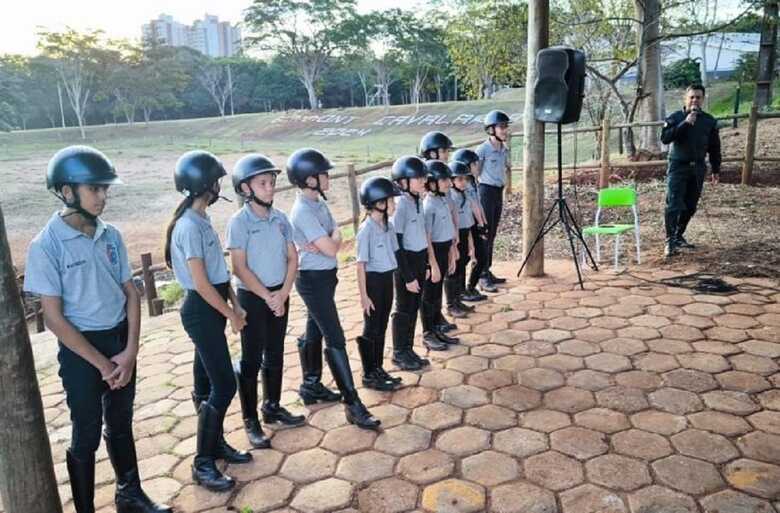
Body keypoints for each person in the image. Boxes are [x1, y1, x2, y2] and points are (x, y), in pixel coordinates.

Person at [24, 145, 172, 512]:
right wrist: (103, 365)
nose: (104, 197)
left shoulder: (111, 235)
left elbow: (131, 294)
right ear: (67, 191)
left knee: (121, 421)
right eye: (96, 189)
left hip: (119, 339)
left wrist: (130, 351)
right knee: (86, 431)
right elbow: (54, 319)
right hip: (81, 350)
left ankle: (130, 494)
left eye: (105, 188)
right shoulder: (46, 245)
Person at [165, 150, 252, 492]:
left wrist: (233, 302)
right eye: (215, 181)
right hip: (202, 310)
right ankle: (202, 464)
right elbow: (200, 282)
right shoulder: (188, 226)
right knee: (225, 384)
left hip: (212, 306)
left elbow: (218, 273)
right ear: (205, 185)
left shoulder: (200, 220)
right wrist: (230, 314)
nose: (219, 186)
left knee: (206, 383)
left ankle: (214, 445)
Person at [288, 148, 381, 430]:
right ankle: (352, 403)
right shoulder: (303, 210)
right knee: (335, 336)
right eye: (323, 173)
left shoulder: (318, 203)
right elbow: (332, 246)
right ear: (309, 179)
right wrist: (331, 239)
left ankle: (311, 385)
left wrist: (331, 239)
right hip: (312, 279)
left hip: (325, 276)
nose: (328, 176)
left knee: (314, 329)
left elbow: (337, 239)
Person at [226, 154, 305, 450]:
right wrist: (267, 296)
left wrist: (283, 293)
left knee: (275, 351)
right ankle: (250, 420)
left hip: (278, 293)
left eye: (272, 182)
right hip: (252, 296)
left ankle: (272, 406)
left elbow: (292, 257)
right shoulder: (240, 222)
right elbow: (239, 267)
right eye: (263, 183)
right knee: (251, 357)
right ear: (246, 189)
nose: (270, 188)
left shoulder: (281, 219)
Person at [660, 84, 722, 257]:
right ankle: (670, 240)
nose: (695, 100)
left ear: (703, 99)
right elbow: (665, 138)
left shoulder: (709, 121)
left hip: (698, 168)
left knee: (690, 206)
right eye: (692, 97)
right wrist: (685, 124)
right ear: (685, 99)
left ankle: (679, 235)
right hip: (678, 166)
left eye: (698, 97)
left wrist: (716, 169)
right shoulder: (675, 117)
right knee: (673, 204)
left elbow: (715, 147)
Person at [355, 176, 404, 391]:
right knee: (372, 326)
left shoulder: (388, 226)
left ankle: (378, 367)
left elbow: (395, 253)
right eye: (390, 201)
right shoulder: (366, 230)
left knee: (382, 323)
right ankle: (369, 373)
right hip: (373, 281)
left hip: (386, 279)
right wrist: (364, 296)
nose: (394, 205)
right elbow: (360, 265)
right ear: (378, 203)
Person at [389, 156, 433, 371]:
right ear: (403, 181)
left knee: (414, 306)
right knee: (403, 308)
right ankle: (399, 352)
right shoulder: (401, 205)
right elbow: (396, 242)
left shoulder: (417, 200)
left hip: (418, 259)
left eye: (424, 176)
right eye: (418, 177)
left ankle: (408, 348)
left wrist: (424, 265)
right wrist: (407, 276)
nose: (424, 180)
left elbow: (420, 236)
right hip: (404, 262)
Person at [419, 131, 461, 334]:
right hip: (430, 247)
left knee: (435, 291)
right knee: (429, 292)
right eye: (443, 150)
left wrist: (454, 246)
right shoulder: (427, 199)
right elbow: (425, 233)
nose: (447, 155)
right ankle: (430, 328)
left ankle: (437, 321)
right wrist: (431, 262)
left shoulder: (441, 196)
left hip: (443, 243)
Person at [476, 110, 512, 289]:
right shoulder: (483, 150)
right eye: (502, 127)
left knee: (493, 233)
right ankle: (482, 276)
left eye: (506, 127)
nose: (505, 130)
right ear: (491, 129)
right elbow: (475, 174)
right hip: (485, 192)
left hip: (498, 192)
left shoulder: (504, 149)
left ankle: (487, 269)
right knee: (485, 233)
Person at [451, 148, 490, 300]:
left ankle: (469, 288)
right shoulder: (459, 190)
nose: (477, 167)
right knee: (463, 260)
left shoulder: (470, 184)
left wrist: (483, 223)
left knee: (478, 256)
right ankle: (461, 292)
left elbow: (476, 204)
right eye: (474, 164)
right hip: (466, 226)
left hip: (472, 224)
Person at [446, 160, 477, 317]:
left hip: (465, 234)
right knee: (453, 270)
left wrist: (471, 243)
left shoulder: (463, 195)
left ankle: (458, 299)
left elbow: (468, 222)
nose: (464, 182)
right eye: (459, 179)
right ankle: (451, 304)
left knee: (461, 268)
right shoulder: (451, 198)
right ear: (451, 181)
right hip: (455, 238)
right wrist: (454, 243)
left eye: (466, 179)